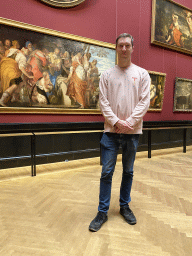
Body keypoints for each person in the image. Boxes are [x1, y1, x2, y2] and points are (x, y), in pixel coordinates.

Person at [89, 33, 150, 232]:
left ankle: (125, 206)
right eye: (120, 45)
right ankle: (102, 211)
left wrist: (129, 123)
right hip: (110, 132)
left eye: (127, 45)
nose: (123, 49)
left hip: (133, 132)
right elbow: (103, 102)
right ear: (116, 48)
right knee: (106, 172)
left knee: (128, 171)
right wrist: (116, 122)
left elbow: (145, 102)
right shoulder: (107, 75)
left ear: (132, 48)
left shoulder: (142, 74)